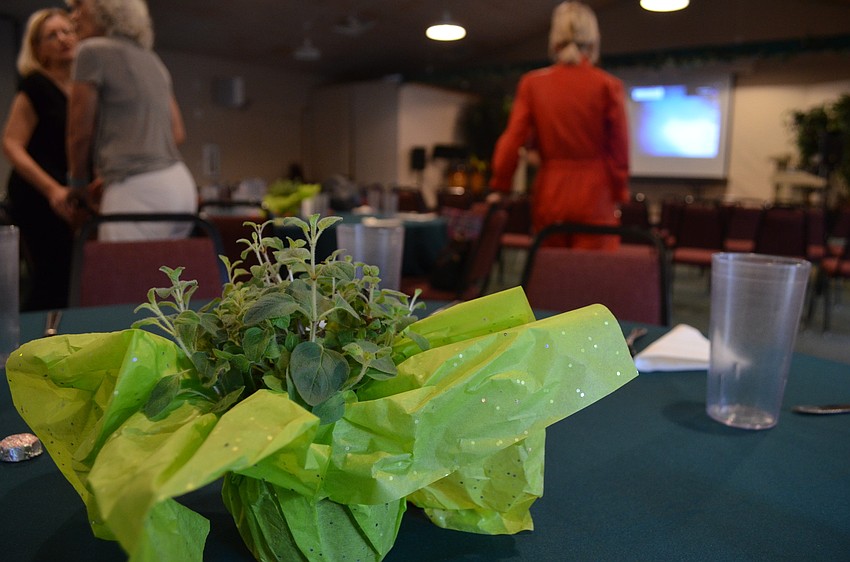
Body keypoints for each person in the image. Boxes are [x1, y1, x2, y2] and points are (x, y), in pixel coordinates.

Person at [488, 1, 629, 250]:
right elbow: (619, 150)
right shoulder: (608, 85)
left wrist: (501, 185)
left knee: (551, 278)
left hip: (550, 194)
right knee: (593, 279)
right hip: (596, 194)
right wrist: (619, 191)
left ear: (555, 40)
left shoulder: (532, 84)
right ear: (594, 40)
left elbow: (512, 139)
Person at [65, 0, 197, 241]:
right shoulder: (154, 62)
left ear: (103, 8)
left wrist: (78, 184)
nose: (72, 17)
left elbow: (79, 132)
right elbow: (178, 133)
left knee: (120, 278)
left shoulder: (91, 51)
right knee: (165, 277)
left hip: (138, 193)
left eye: (78, 7)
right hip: (180, 187)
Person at [2, 9, 80, 310]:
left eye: (67, 30)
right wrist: (52, 190)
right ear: (38, 49)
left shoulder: (83, 88)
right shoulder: (36, 85)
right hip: (36, 195)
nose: (63, 39)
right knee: (50, 278)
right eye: (52, 35)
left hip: (67, 196)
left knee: (71, 278)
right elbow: (11, 144)